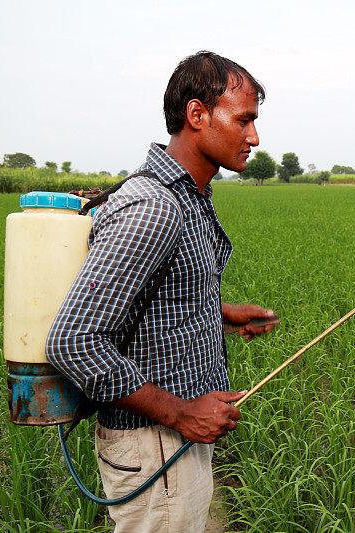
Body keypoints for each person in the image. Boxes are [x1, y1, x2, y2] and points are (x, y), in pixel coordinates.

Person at [46, 51, 275, 532]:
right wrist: (180, 413)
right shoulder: (154, 207)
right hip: (156, 447)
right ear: (197, 114)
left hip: (172, 443)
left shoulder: (189, 197)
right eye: (244, 120)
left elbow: (150, 304)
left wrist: (220, 311)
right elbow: (73, 341)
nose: (254, 137)